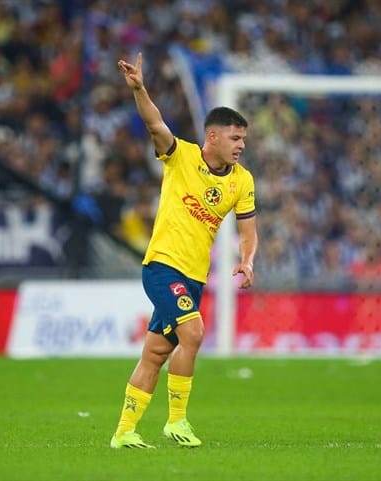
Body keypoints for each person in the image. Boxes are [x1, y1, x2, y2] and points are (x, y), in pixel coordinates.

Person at [110, 53, 258, 449]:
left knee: (156, 353)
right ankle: (177, 422)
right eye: (235, 137)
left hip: (194, 277)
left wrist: (247, 260)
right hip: (162, 267)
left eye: (243, 139)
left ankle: (124, 432)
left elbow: (248, 229)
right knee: (193, 333)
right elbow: (154, 122)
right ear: (213, 137)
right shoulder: (182, 156)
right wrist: (140, 88)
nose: (241, 145)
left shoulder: (242, 181)